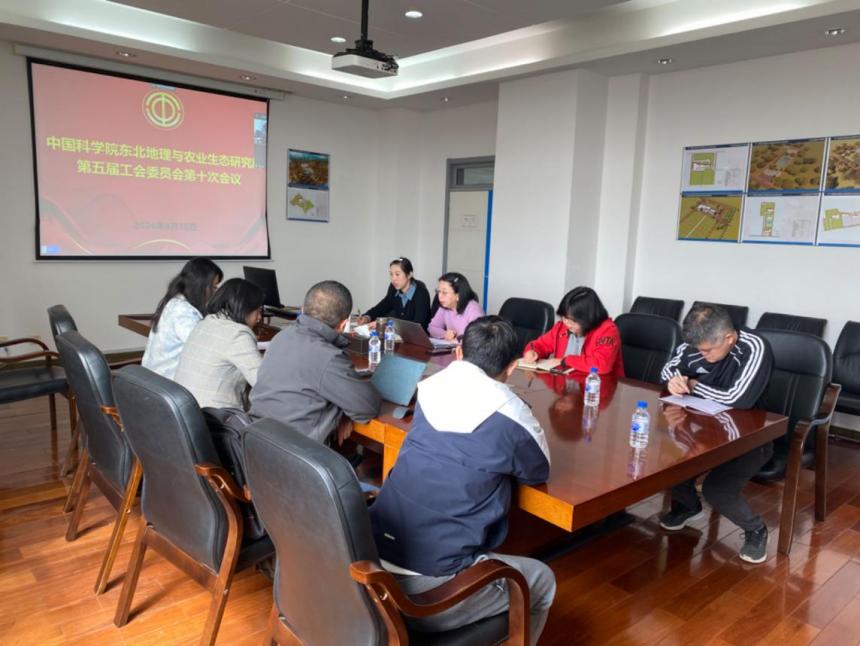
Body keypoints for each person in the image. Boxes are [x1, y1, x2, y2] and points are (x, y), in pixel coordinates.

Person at [369, 316, 555, 645]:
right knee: (542, 581)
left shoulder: (428, 389)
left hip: (372, 565)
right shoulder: (512, 414)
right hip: (429, 595)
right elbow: (537, 471)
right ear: (513, 367)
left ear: (458, 352)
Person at [658, 303, 773, 564]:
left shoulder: (754, 347)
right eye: (699, 349)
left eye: (707, 350)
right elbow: (667, 369)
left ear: (728, 338)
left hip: (751, 438)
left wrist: (693, 385)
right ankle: (689, 506)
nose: (702, 354)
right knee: (668, 463)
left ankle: (756, 530)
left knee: (716, 490)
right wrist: (674, 379)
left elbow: (739, 398)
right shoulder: (698, 342)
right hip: (706, 428)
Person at [250, 280, 381, 444]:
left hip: (256, 442)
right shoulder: (328, 357)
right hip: (296, 453)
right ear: (343, 324)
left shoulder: (281, 337)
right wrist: (342, 408)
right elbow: (368, 407)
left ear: (302, 310)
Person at [173, 278, 264, 410]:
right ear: (244, 308)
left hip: (185, 410)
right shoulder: (237, 334)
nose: (259, 317)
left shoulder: (205, 323)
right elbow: (263, 383)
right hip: (213, 416)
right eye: (258, 310)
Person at [142, 258, 223, 380]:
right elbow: (203, 346)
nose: (215, 292)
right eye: (213, 287)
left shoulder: (174, 302)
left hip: (153, 378)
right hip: (167, 383)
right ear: (200, 286)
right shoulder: (183, 312)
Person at [522, 286, 624, 376]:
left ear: (587, 318)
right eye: (564, 317)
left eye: (571, 320)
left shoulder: (607, 331)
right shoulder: (562, 327)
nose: (566, 322)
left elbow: (601, 365)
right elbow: (541, 344)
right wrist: (533, 352)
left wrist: (566, 360)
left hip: (598, 387)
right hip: (566, 385)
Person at [360, 257, 432, 329]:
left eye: (397, 274)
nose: (393, 279)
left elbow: (418, 326)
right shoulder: (393, 288)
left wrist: (385, 324)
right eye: (391, 274)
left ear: (409, 275)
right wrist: (367, 317)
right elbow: (383, 306)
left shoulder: (421, 294)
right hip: (399, 334)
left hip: (417, 335)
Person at [427, 272, 484, 340]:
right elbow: (432, 327)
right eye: (438, 291)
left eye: (444, 292)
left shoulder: (473, 310)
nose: (439, 296)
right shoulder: (444, 307)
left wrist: (458, 340)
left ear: (458, 295)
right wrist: (445, 334)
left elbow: (478, 337)